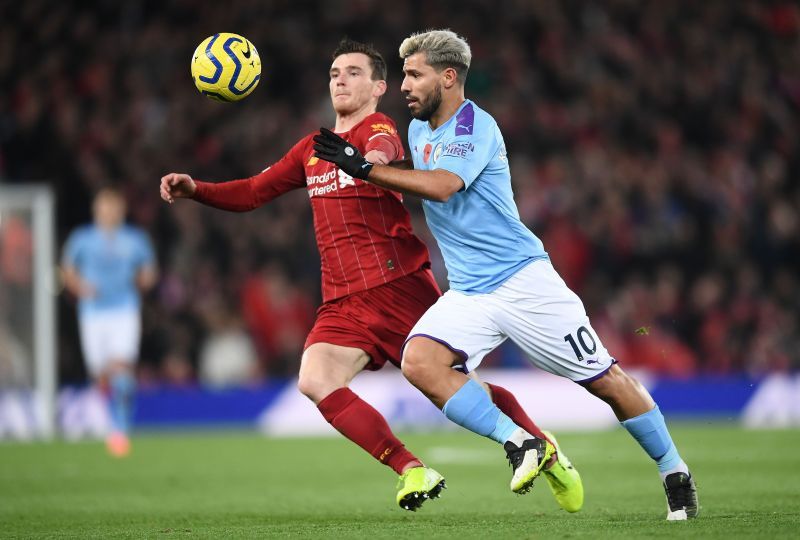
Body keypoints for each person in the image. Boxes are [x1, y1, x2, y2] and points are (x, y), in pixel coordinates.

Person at [161, 38, 581, 512]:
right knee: (315, 379)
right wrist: (197, 189)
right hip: (342, 300)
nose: (340, 79)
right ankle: (410, 468)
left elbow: (382, 149)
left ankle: (540, 446)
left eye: (353, 72)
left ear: (380, 86)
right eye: (334, 72)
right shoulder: (313, 150)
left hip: (397, 286)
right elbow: (253, 192)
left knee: (462, 385)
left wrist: (372, 162)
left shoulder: (377, 129)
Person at [312, 29, 699, 520]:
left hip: (523, 282)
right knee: (419, 361)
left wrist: (363, 170)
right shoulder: (416, 129)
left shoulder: (476, 125)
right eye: (404, 74)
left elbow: (444, 187)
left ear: (448, 77)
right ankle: (520, 442)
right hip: (470, 291)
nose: (405, 84)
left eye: (415, 74)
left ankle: (674, 470)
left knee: (606, 381)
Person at [62, 188, 157, 457]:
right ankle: (114, 418)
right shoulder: (82, 239)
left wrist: (142, 282)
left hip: (124, 310)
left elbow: (149, 271)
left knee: (121, 368)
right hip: (92, 313)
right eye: (104, 207)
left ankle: (120, 428)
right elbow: (67, 270)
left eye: (113, 207)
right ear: (96, 210)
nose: (109, 212)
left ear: (121, 211)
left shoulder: (135, 239)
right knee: (101, 375)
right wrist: (79, 286)